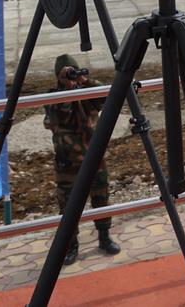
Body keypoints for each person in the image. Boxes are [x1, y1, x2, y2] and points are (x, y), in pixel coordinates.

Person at [45, 54, 121, 265]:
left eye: (73, 70)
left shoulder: (87, 92)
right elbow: (59, 115)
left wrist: (85, 81)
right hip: (67, 162)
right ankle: (71, 244)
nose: (71, 75)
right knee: (68, 206)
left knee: (101, 197)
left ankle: (104, 236)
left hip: (94, 158)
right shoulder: (52, 97)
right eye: (66, 73)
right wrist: (67, 89)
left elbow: (106, 98)